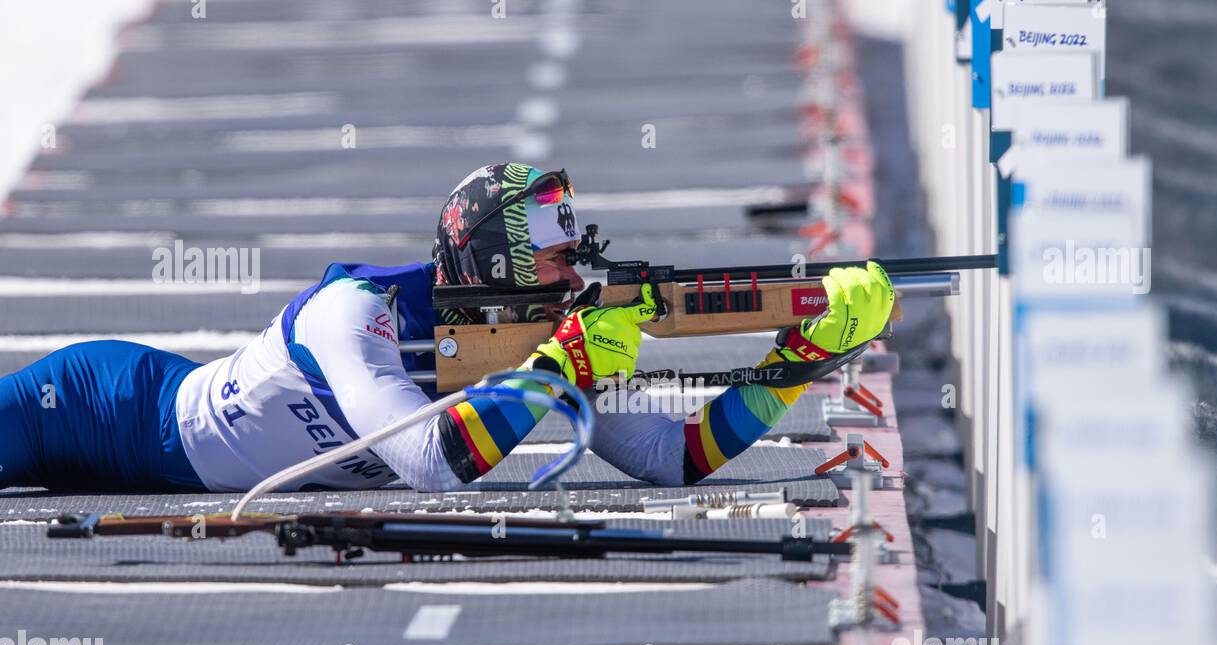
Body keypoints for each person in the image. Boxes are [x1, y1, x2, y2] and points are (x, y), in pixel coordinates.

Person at [0, 162, 895, 493]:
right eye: (551, 246)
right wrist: (558, 369)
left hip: (157, 445)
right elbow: (434, 467)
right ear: (495, 261)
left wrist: (800, 360)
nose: (575, 264)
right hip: (102, 406)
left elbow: (670, 459)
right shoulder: (353, 316)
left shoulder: (539, 342)